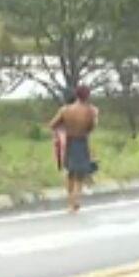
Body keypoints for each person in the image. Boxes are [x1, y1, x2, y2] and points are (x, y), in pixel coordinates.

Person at [48, 84, 98, 213]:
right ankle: (77, 201)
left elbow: (52, 124)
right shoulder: (91, 111)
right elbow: (91, 128)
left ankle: (70, 203)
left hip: (69, 142)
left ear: (76, 94)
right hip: (82, 142)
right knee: (80, 175)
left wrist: (62, 131)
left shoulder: (65, 110)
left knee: (70, 173)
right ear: (87, 96)